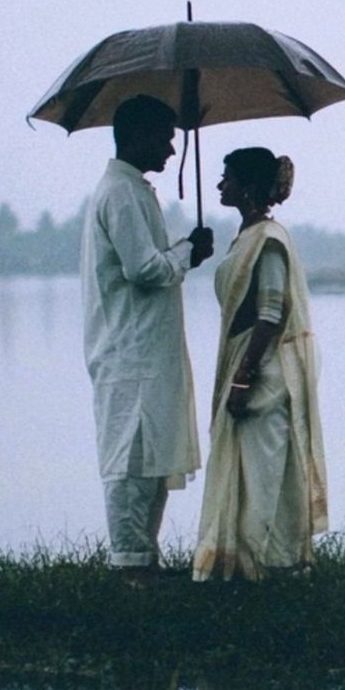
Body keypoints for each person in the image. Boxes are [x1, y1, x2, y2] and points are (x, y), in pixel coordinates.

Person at [81, 94, 214, 579]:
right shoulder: (120, 193)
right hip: (130, 353)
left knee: (150, 457)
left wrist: (184, 253)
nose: (171, 150)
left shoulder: (132, 190)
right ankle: (130, 565)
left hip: (144, 352)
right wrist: (187, 253)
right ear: (137, 136)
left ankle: (143, 559)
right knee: (131, 461)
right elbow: (143, 269)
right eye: (165, 138)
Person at [193, 147, 328, 580]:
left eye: (228, 177)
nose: (220, 185)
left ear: (248, 186)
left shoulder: (268, 242)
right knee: (246, 467)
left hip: (264, 371)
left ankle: (270, 563)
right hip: (246, 361)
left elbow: (270, 315)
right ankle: (241, 562)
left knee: (264, 471)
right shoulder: (246, 237)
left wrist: (243, 379)